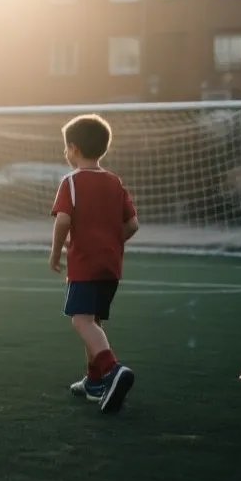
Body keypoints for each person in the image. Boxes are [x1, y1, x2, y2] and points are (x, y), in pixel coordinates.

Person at [49, 113, 138, 414]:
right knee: (93, 320)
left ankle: (112, 370)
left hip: (85, 263)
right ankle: (95, 381)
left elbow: (63, 220)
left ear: (73, 149)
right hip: (111, 265)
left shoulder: (71, 182)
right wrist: (111, 242)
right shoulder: (114, 182)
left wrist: (55, 252)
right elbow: (133, 224)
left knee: (81, 320)